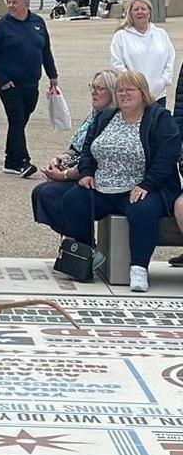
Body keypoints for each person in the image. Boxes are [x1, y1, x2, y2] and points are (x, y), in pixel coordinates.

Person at [58, 70, 179, 292]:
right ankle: (89, 253)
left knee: (143, 211)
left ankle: (139, 267)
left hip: (142, 187)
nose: (124, 94)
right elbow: (88, 147)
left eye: (130, 90)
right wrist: (85, 172)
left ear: (142, 93)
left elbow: (167, 155)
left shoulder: (160, 119)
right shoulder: (106, 117)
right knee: (73, 200)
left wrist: (147, 184)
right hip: (103, 186)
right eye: (120, 90)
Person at [32, 69, 119, 238]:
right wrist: (59, 160)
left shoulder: (113, 119)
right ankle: (79, 244)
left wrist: (63, 175)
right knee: (40, 193)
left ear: (113, 92)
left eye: (100, 88)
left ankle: (84, 246)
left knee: (50, 194)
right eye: (92, 87)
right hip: (80, 170)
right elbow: (76, 149)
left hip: (96, 179)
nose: (94, 92)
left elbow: (94, 161)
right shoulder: (94, 115)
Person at [0, 0, 60, 178]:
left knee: (19, 122)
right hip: (9, 84)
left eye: (14, 2)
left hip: (31, 83)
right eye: (9, 2)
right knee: (17, 119)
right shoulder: (2, 26)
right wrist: (2, 78)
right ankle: (22, 162)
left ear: (26, 4)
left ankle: (10, 160)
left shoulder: (38, 22)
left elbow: (45, 50)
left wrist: (52, 74)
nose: (10, 5)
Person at [112, 0, 175, 106]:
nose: (140, 12)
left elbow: (170, 59)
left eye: (143, 9)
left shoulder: (161, 34)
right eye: (136, 9)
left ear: (149, 12)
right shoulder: (120, 36)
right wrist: (135, 87)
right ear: (130, 13)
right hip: (133, 95)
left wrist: (163, 82)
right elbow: (117, 64)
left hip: (158, 95)